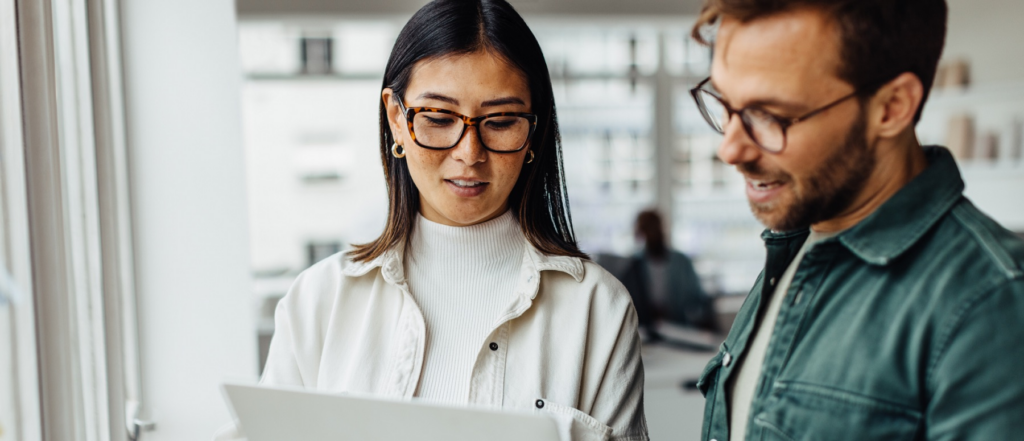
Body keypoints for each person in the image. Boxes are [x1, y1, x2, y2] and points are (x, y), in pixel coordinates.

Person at [217, 1, 648, 440]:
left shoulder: (597, 309)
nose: (469, 153)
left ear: (533, 131)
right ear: (396, 120)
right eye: (439, 118)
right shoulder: (318, 302)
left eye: (500, 122)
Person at [686, 0, 1024, 440]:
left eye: (768, 115)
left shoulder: (990, 303)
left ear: (892, 107)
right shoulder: (796, 244)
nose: (729, 150)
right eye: (726, 105)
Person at [621, 209, 717, 340]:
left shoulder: (682, 262)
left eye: (654, 228)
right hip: (646, 334)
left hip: (681, 331)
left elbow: (699, 299)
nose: (651, 235)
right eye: (647, 230)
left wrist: (698, 320)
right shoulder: (634, 265)